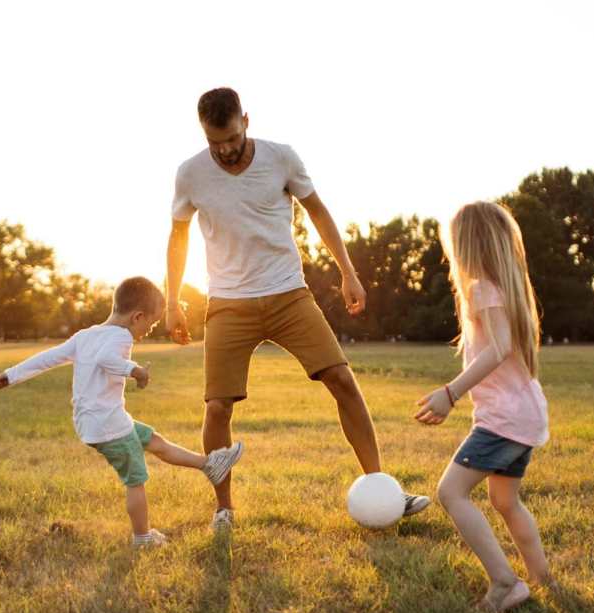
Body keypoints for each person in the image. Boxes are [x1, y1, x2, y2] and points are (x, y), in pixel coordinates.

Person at [166, 87, 429, 531]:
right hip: (229, 302)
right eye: (216, 143)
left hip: (289, 292)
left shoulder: (281, 158)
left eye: (231, 138)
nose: (226, 150)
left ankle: (383, 487)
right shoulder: (190, 174)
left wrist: (348, 271)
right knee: (216, 408)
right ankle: (223, 508)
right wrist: (171, 299)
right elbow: (178, 236)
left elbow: (318, 212)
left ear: (246, 120)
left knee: (342, 379)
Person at [0, 276, 244, 548]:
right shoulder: (121, 336)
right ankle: (142, 538)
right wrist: (135, 370)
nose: (150, 329)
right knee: (136, 479)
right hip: (109, 425)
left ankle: (209, 465)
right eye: (152, 322)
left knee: (154, 440)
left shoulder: (85, 335)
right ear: (137, 317)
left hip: (96, 422)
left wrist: (10, 375)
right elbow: (106, 360)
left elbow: (48, 358)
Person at [414, 201, 552, 613]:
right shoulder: (505, 289)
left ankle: (506, 583)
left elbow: (497, 349)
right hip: (524, 415)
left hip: (504, 420)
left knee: (450, 492)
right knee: (506, 502)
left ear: (466, 246)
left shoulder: (482, 289)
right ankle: (543, 579)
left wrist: (450, 393)